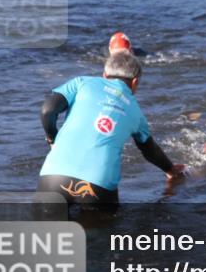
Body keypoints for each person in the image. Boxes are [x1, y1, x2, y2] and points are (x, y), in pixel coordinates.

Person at [38, 52, 184, 206]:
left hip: (52, 177)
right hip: (98, 185)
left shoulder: (81, 83)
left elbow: (47, 111)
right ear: (135, 82)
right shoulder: (136, 113)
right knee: (103, 228)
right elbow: (150, 150)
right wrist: (170, 169)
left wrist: (52, 138)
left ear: (104, 74)